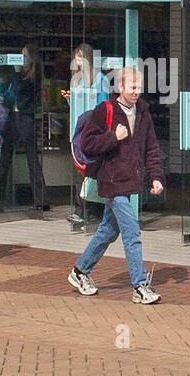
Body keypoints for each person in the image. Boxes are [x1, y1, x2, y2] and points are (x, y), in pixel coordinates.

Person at [67, 65, 164, 304]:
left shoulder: (142, 111)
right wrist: (113, 137)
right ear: (120, 87)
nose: (136, 92)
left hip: (130, 181)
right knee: (132, 232)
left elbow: (151, 147)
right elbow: (88, 144)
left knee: (108, 232)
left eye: (139, 87)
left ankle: (80, 272)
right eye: (132, 87)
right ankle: (140, 286)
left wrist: (156, 177)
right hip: (111, 182)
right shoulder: (105, 110)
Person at [62, 42, 113, 228]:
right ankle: (82, 210)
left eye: (81, 57)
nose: (78, 61)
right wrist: (71, 100)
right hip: (79, 130)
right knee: (79, 171)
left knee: (89, 170)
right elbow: (79, 107)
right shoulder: (77, 80)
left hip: (92, 131)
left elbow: (103, 106)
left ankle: (87, 211)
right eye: (76, 57)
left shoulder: (100, 79)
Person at [0, 43, 49, 212]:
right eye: (21, 55)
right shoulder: (17, 75)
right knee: (4, 160)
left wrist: (18, 74)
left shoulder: (33, 77)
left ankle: (41, 200)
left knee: (32, 159)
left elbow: (21, 92)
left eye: (25, 56)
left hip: (26, 117)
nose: (22, 59)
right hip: (13, 116)